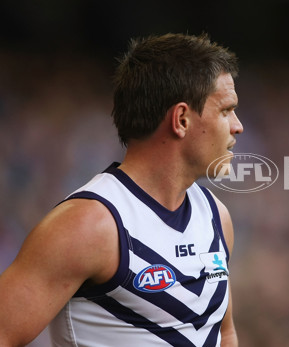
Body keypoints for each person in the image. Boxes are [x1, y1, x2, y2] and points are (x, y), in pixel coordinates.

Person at [0, 33, 243, 347]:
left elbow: (224, 333)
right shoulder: (88, 225)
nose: (238, 125)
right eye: (226, 111)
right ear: (181, 119)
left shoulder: (216, 217)